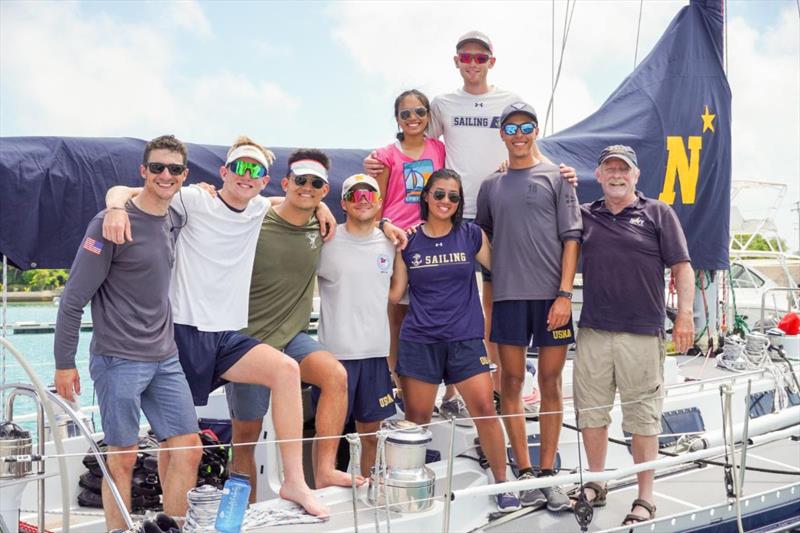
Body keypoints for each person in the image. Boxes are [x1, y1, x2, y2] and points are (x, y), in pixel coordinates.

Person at [102, 137, 328, 517]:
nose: (246, 175)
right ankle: (172, 519)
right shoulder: (193, 198)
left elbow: (288, 200)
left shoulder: (259, 207)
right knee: (178, 444)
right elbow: (125, 190)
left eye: (255, 170)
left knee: (287, 371)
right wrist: (114, 208)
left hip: (227, 335)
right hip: (181, 331)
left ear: (264, 180)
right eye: (239, 167)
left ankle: (294, 481)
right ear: (223, 172)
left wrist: (321, 205)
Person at [366, 31, 577, 415]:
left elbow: (530, 144)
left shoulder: (510, 101)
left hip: (504, 206)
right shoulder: (443, 104)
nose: (473, 63)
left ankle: (496, 385)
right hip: (454, 211)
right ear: (456, 61)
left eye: (481, 57)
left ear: (491, 62)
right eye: (466, 56)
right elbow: (412, 144)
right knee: (428, 299)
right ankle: (412, 378)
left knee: (492, 302)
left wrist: (560, 174)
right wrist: (377, 164)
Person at [226, 150, 406, 491]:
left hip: (296, 338)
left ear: (325, 191)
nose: (307, 187)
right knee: (245, 440)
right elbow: (232, 201)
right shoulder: (257, 217)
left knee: (334, 377)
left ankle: (322, 473)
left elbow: (393, 291)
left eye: (316, 183)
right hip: (249, 340)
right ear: (284, 182)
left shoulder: (323, 230)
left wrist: (385, 225)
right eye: (300, 180)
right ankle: (242, 518)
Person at [54, 135, 202, 530]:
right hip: (118, 358)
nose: (165, 175)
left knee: (188, 448)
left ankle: (172, 526)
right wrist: (64, 363)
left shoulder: (175, 217)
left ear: (184, 175)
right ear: (144, 171)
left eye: (174, 169)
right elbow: (72, 300)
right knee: (122, 457)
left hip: (165, 357)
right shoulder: (109, 224)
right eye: (157, 167)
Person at [573, 145, 694, 525]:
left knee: (642, 418)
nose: (616, 175)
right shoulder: (585, 215)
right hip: (593, 329)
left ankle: (646, 497)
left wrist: (685, 316)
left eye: (623, 169)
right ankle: (596, 482)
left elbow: (682, 267)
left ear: (635, 175)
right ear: (599, 174)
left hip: (642, 333)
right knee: (591, 413)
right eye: (609, 168)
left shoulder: (658, 212)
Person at [389, 168, 521, 513]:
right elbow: (395, 293)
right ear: (426, 197)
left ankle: (502, 480)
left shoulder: (471, 235)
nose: (446, 201)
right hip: (420, 341)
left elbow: (503, 269)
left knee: (484, 410)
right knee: (417, 417)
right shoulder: (408, 241)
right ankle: (410, 484)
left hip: (465, 339)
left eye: (453, 196)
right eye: (439, 194)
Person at [475, 102, 581, 512]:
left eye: (527, 126)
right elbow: (480, 233)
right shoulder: (491, 185)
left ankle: (548, 473)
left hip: (552, 298)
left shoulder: (558, 178)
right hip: (507, 297)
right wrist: (496, 266)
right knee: (512, 384)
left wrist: (564, 295)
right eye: (511, 127)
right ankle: (523, 473)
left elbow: (572, 238)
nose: (519, 134)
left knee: (552, 384)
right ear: (502, 134)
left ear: (536, 131)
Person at [315, 173, 398, 475]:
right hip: (335, 358)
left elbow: (397, 292)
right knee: (329, 441)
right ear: (343, 204)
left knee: (370, 438)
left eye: (369, 195)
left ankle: (366, 489)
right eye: (354, 195)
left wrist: (392, 230)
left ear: (378, 203)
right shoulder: (326, 240)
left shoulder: (391, 243)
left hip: (375, 355)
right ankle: (323, 494)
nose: (362, 201)